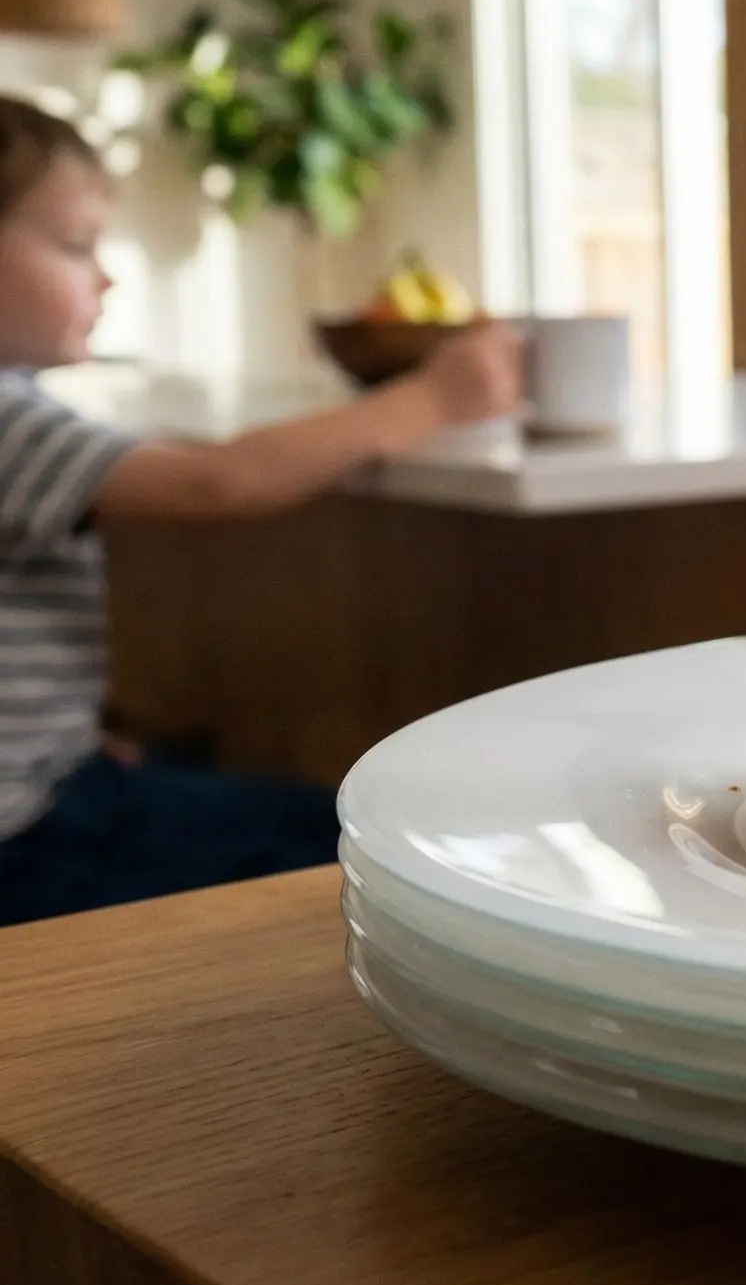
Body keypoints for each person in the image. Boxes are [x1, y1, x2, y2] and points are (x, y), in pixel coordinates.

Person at [0, 96, 522, 926]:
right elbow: (218, 484)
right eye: (75, 244)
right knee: (346, 840)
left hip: (41, 785)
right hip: (24, 843)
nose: (105, 273)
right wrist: (426, 400)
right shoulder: (6, 420)